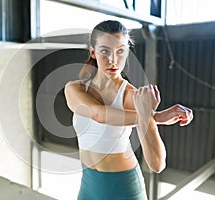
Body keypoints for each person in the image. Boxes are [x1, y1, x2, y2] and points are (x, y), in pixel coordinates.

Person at [64, 20, 193, 200]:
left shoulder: (132, 97)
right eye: (105, 51)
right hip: (89, 184)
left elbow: (157, 164)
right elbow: (98, 114)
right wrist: (156, 116)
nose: (113, 60)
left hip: (123, 187)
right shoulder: (74, 89)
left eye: (120, 51)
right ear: (93, 51)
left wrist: (148, 115)